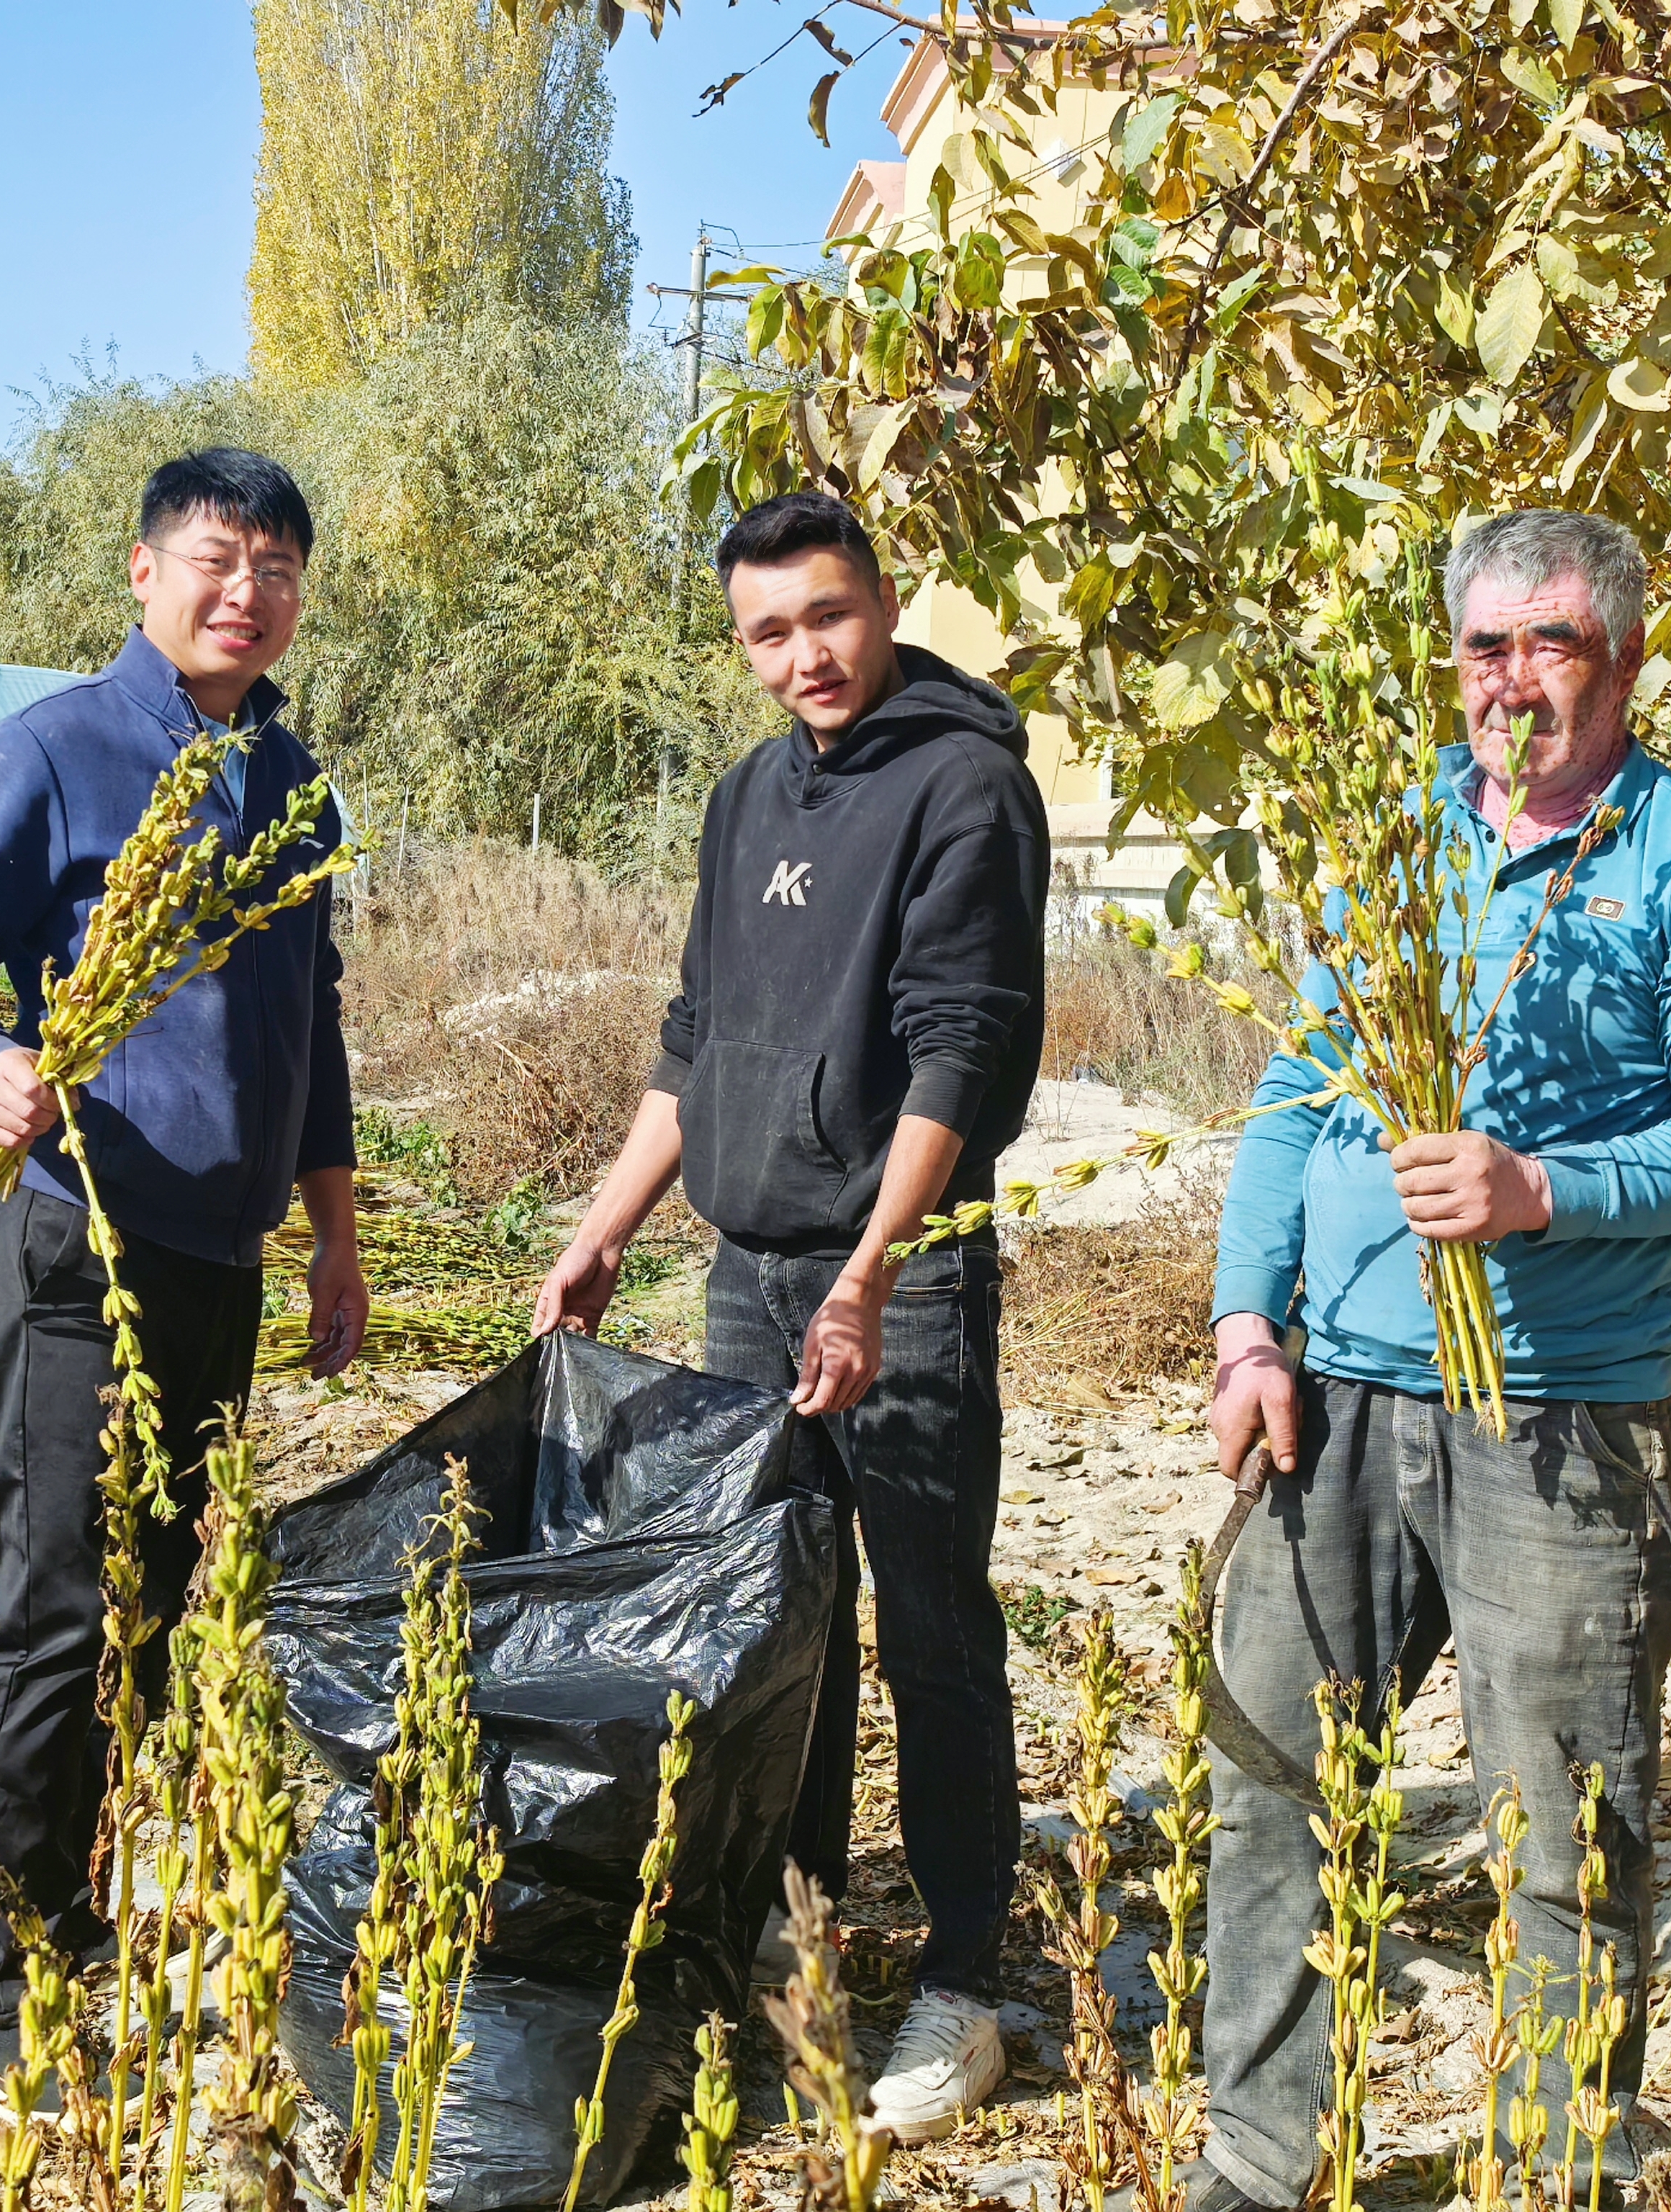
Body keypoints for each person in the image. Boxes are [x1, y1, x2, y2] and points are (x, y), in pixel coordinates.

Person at [1194, 510, 1671, 2211]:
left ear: (1620, 659)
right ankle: (1258, 2166)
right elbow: (1287, 1104)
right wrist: (1250, 1326)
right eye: (1485, 647)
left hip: (1560, 1424)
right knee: (1269, 1801)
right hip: (1332, 1399)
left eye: (1553, 645)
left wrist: (1547, 1190)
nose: (1514, 682)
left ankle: (1547, 2174)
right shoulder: (1394, 845)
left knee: (1561, 1835)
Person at [532, 490, 1049, 2141]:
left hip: (894, 1273)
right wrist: (606, 1225)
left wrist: (875, 1265)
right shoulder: (747, 796)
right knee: (775, 1622)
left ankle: (965, 1979)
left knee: (927, 1624)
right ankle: (802, 1946)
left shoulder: (963, 787)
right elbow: (695, 1036)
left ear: (883, 602)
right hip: (747, 1279)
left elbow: (962, 1045)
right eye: (766, 633)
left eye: (826, 618)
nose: (802, 658)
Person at [0, 446, 366, 2099]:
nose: (249, 590)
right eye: (219, 558)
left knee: (155, 1604)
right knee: (57, 1603)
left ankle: (80, 1904)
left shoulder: (294, 784)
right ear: (143, 573)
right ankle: (2, 1971)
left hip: (220, 1252)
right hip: (78, 1236)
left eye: (279, 567)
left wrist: (334, 1236)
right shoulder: (56, 753)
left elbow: (318, 1031)